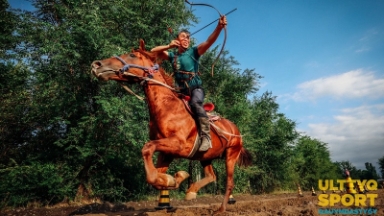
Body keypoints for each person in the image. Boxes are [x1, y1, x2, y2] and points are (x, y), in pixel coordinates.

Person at [151, 16, 227, 152]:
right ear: (177, 40)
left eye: (188, 37)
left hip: (195, 89)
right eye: (183, 37)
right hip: (181, 92)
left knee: (195, 104)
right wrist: (169, 46)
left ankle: (206, 137)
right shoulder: (173, 55)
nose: (187, 39)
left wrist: (219, 27)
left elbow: (209, 41)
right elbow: (153, 52)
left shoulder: (194, 52)